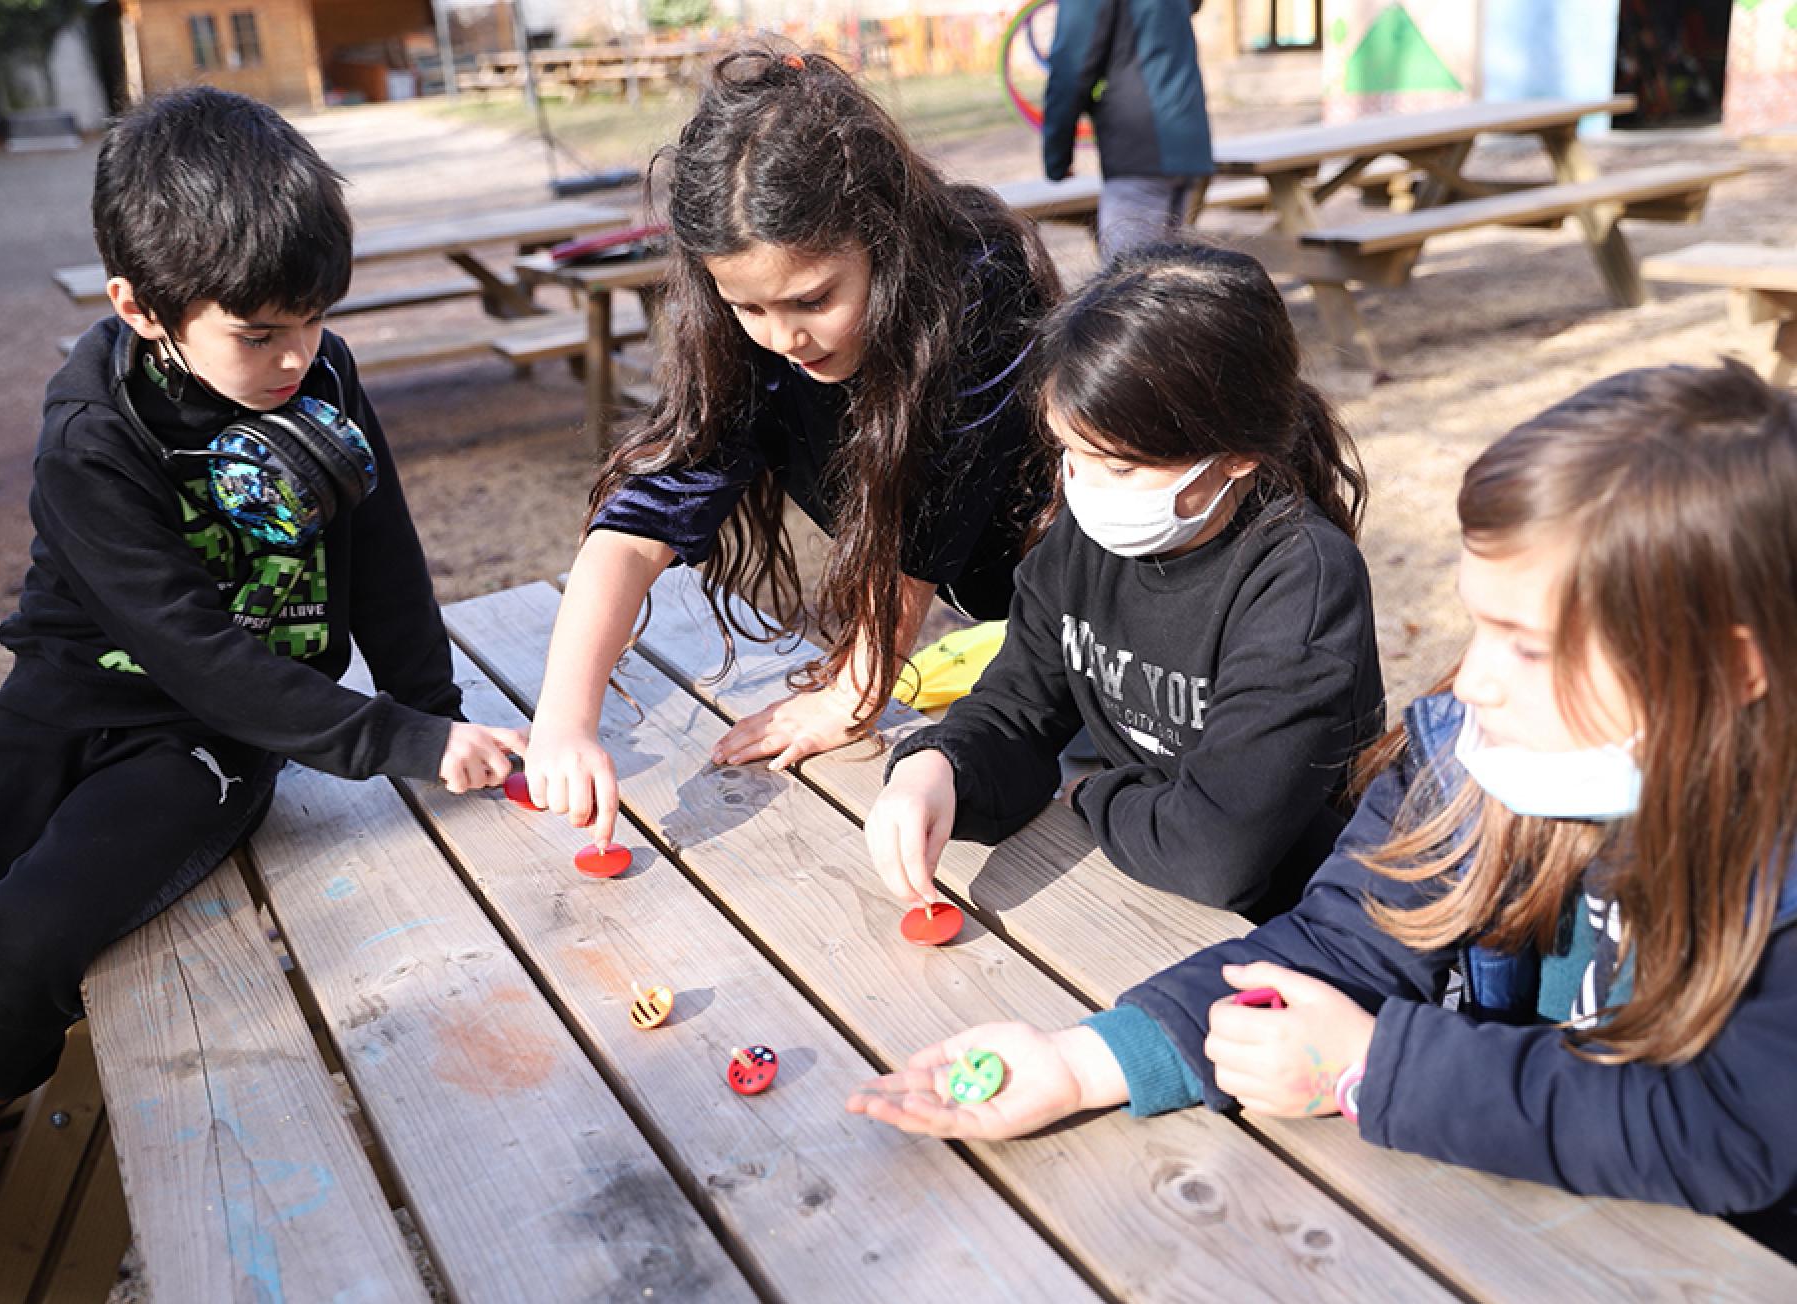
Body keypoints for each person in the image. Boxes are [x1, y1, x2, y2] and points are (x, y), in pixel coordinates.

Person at [848, 363, 1797, 1248]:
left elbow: (1726, 1126)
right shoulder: (1473, 763)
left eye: (1531, 646)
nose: (1474, 682)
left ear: (1732, 666)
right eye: (1481, 624)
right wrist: (1090, 1062)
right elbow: (1342, 942)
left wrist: (1383, 1067)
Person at [0, 88, 525, 1105]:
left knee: (26, 937)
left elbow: (381, 552)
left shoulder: (321, 374)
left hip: (200, 742)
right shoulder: (94, 439)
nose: (298, 355)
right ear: (140, 308)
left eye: (317, 318)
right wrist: (393, 735)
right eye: (260, 333)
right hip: (70, 696)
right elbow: (186, 641)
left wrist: (430, 717)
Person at [525, 46, 1061, 844]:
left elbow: (924, 521)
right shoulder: (750, 337)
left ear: (884, 234)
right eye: (749, 306)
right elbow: (646, 514)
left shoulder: (978, 282)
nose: (785, 338)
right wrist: (564, 720)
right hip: (1026, 634)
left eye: (813, 298)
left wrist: (852, 694)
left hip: (1102, 606)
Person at [865, 244, 1382, 922]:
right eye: (1068, 451)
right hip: (1136, 893)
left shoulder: (1300, 586)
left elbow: (1218, 852)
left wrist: (1092, 793)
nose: (1082, 485)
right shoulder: (1086, 539)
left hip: (1297, 927)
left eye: (1121, 466)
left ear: (1236, 455)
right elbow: (1018, 708)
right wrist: (936, 768)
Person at [1042, 0, 1214, 261]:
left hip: (1140, 149)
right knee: (1168, 283)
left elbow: (1071, 68)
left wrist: (1056, 157)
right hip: (1188, 140)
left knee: (1126, 288)